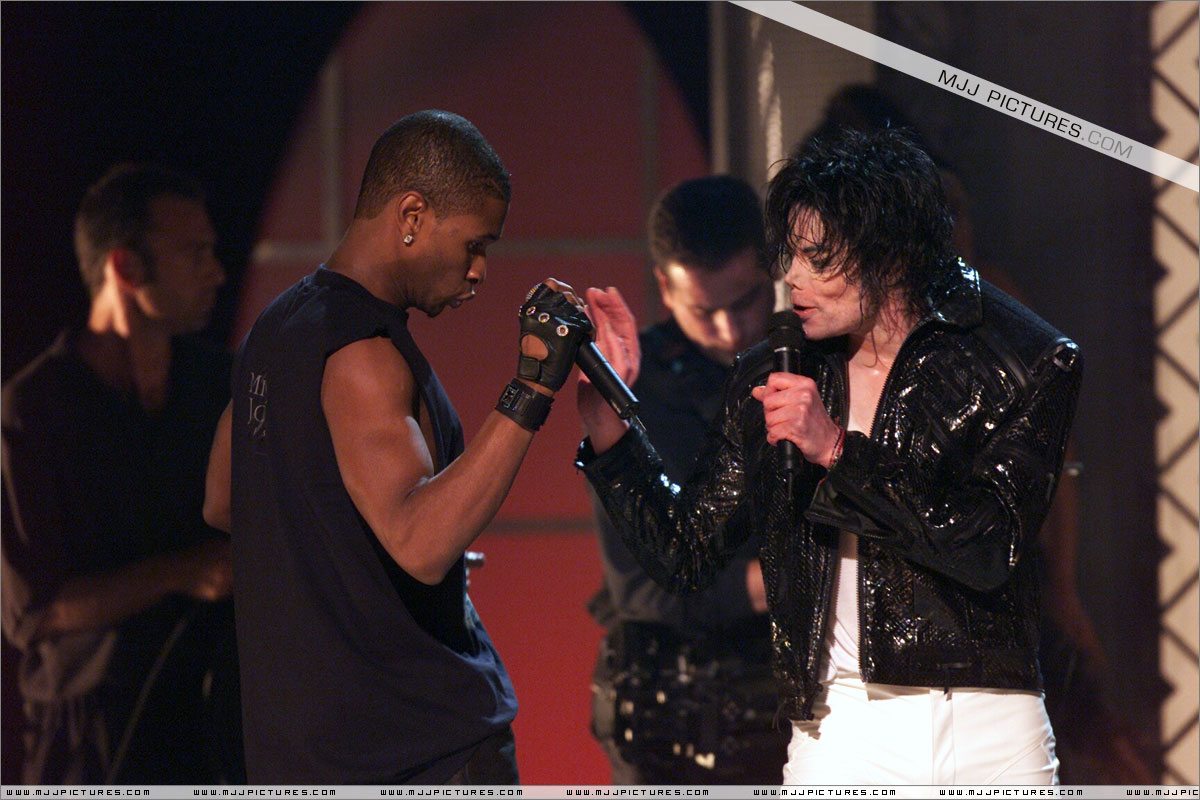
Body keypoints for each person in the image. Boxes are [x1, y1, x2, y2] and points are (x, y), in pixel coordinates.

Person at [575, 128, 1082, 784]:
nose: (791, 277)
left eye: (816, 258)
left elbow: (987, 545)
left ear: (888, 256)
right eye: (789, 254)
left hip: (988, 716)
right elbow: (686, 551)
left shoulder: (1026, 359)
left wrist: (837, 450)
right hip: (839, 721)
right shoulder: (777, 367)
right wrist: (612, 425)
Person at [202, 110, 593, 784]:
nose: (479, 271)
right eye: (474, 244)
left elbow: (223, 499)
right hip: (420, 751)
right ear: (411, 215)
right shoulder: (364, 352)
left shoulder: (276, 327)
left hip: (311, 757)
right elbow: (418, 542)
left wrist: (353, 560)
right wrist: (532, 387)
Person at [1, 164, 236, 784]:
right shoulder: (32, 411)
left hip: (210, 717)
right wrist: (183, 572)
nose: (217, 272)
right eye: (195, 253)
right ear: (125, 267)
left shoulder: (220, 384)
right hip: (92, 739)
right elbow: (36, 610)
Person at [586, 176, 786, 783]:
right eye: (705, 311)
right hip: (679, 716)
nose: (730, 330)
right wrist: (792, 578)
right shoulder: (632, 383)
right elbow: (639, 587)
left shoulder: (810, 358)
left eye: (747, 300)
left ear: (774, 271)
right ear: (664, 287)